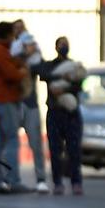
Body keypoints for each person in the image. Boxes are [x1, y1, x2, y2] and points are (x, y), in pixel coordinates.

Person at [0, 21, 29, 194]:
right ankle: (13, 180)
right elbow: (12, 74)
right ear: (8, 35)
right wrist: (23, 71)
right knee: (11, 140)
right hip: (4, 100)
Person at [36, 37, 86, 195]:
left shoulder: (74, 66)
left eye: (66, 44)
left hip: (71, 113)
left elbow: (79, 84)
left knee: (74, 150)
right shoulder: (50, 65)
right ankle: (57, 182)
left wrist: (66, 86)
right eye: (61, 44)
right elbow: (43, 74)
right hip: (55, 111)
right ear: (56, 47)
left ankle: (76, 182)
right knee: (55, 149)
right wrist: (63, 78)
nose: (64, 47)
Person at [14, 31, 50, 193]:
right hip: (13, 104)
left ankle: (41, 179)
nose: (32, 48)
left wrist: (35, 55)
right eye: (29, 45)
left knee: (35, 143)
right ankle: (10, 179)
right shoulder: (14, 58)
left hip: (30, 104)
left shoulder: (35, 60)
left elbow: (43, 71)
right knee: (10, 143)